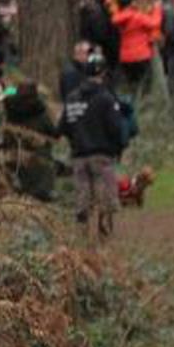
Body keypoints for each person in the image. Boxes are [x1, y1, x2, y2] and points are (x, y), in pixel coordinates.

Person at [60, 55, 127, 242]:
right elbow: (116, 128)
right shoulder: (106, 98)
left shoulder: (72, 98)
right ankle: (104, 233)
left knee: (83, 196)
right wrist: (119, 147)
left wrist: (75, 141)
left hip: (79, 156)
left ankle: (82, 236)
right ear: (103, 74)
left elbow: (63, 127)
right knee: (105, 195)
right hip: (102, 154)